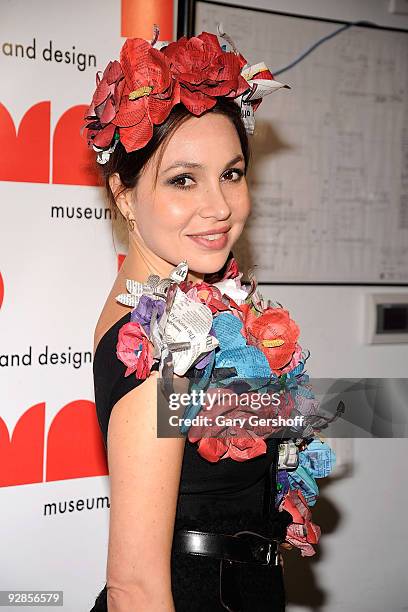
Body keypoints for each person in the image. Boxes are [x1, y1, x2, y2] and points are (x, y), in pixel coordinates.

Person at [86, 31, 320, 612]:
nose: (218, 207)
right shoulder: (157, 346)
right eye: (183, 179)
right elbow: (133, 588)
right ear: (124, 190)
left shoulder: (187, 309)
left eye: (232, 173)